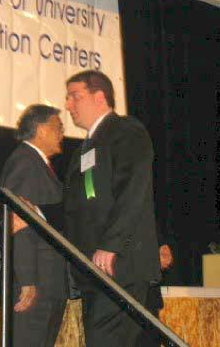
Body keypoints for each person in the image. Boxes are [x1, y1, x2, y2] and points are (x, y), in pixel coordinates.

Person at [63, 70, 161, 347]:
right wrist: (35, 210)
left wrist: (111, 243)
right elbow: (77, 205)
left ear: (100, 97)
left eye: (75, 96)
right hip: (94, 270)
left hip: (120, 266)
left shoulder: (126, 130)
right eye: (67, 98)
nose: (68, 105)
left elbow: (134, 189)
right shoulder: (85, 148)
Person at [0, 104, 67, 347]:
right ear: (40, 130)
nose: (63, 133)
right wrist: (27, 279)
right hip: (35, 286)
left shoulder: (38, 165)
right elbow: (19, 225)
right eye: (58, 127)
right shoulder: (25, 163)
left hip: (47, 284)